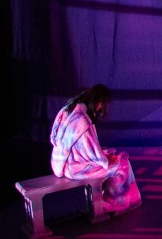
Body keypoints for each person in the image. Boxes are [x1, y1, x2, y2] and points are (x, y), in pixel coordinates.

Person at [49, 84, 142, 213]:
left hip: (64, 163)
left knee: (113, 154)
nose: (101, 108)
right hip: (75, 168)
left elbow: (55, 137)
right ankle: (113, 203)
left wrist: (105, 155)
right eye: (102, 104)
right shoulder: (82, 121)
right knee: (122, 164)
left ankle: (126, 199)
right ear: (98, 102)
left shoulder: (68, 110)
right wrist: (105, 160)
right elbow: (91, 152)